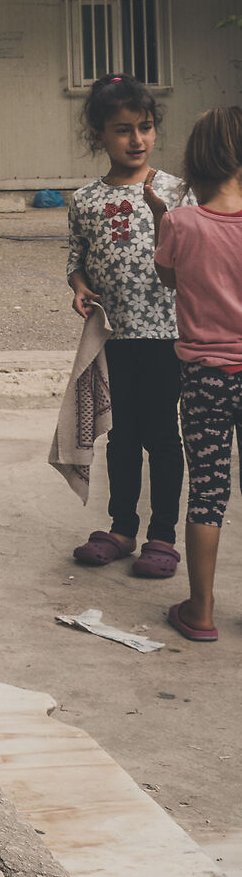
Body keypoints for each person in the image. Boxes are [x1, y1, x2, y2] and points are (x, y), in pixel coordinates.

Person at [65, 74, 186, 578]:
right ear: (98, 135)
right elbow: (77, 258)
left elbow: (195, 259)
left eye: (146, 127)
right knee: (120, 434)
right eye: (123, 130)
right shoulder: (85, 200)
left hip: (169, 337)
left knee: (162, 435)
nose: (137, 140)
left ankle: (162, 536)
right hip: (114, 338)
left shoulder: (178, 192)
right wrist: (78, 286)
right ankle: (121, 528)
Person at [150, 105, 242, 642]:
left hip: (206, 378)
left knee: (208, 492)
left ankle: (200, 612)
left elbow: (167, 278)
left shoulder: (181, 224)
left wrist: (164, 217)